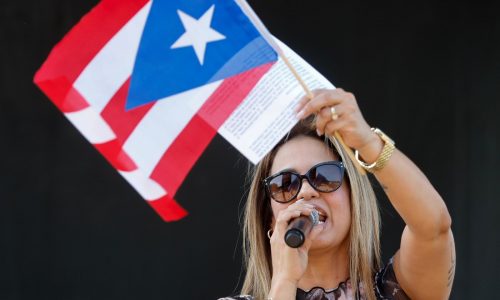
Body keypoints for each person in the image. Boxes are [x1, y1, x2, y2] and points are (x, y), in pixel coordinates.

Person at [220, 88, 455, 300]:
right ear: (269, 217)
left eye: (325, 176)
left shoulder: (396, 291)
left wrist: (368, 143)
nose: (306, 191)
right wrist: (284, 281)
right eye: (285, 185)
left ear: (353, 197)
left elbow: (433, 228)